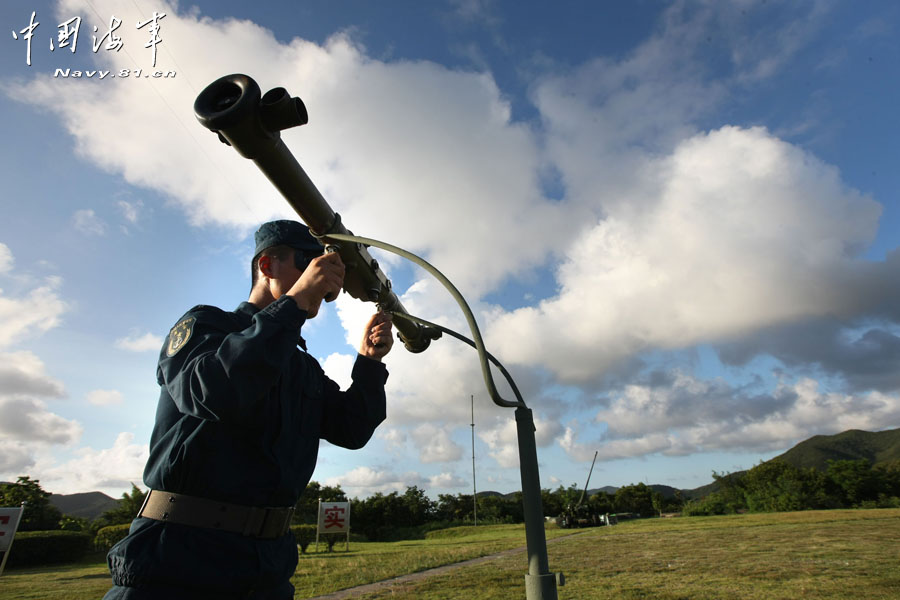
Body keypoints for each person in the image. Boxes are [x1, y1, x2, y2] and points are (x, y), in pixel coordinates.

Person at [104, 220, 393, 600]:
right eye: (308, 262)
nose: (325, 281)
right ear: (267, 266)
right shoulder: (207, 325)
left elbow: (351, 430)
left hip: (266, 569)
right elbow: (213, 392)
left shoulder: (300, 365)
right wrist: (293, 305)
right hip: (176, 561)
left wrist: (369, 363)